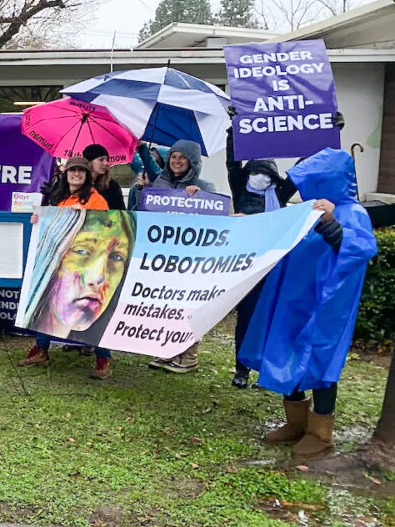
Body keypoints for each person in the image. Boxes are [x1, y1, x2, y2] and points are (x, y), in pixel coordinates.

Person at [239, 149, 376, 462]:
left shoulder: (352, 211)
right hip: (292, 299)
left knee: (320, 361)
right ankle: (296, 422)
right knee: (285, 349)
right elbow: (277, 232)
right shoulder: (304, 209)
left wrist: (330, 223)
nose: (305, 188)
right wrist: (246, 225)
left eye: (314, 180)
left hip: (325, 305)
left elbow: (359, 248)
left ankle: (320, 433)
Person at [18, 156, 115, 379]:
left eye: (81, 171)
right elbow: (51, 227)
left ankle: (103, 358)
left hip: (86, 266)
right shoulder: (57, 198)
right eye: (73, 171)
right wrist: (39, 219)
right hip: (59, 263)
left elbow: (102, 229)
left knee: (97, 313)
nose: (76, 174)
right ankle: (41, 349)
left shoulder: (96, 199)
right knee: (44, 303)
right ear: (66, 174)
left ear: (87, 175)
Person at [225, 129, 297, 388]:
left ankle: (266, 371)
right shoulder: (240, 190)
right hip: (246, 266)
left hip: (275, 266)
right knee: (246, 317)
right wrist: (234, 130)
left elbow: (304, 168)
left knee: (272, 318)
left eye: (266, 174)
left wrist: (326, 135)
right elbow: (232, 162)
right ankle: (241, 369)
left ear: (273, 178)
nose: (260, 177)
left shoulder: (279, 195)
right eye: (256, 172)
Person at [140, 139, 217, 374]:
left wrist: (200, 197)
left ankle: (189, 356)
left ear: (192, 161)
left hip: (190, 261)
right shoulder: (159, 183)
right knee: (165, 306)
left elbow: (213, 221)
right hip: (163, 259)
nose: (176, 161)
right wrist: (140, 191)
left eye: (182, 157)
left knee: (188, 308)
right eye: (173, 156)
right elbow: (143, 216)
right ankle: (168, 350)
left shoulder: (205, 186)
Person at [82, 144, 126, 210]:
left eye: (107, 160)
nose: (106, 163)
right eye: (101, 160)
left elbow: (120, 212)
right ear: (89, 162)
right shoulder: (78, 184)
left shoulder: (112, 186)